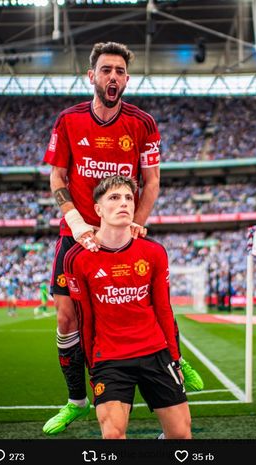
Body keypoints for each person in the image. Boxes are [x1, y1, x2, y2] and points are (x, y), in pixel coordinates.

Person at [42, 41, 202, 435]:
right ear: (91, 76)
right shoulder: (68, 120)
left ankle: (175, 360)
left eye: (119, 71)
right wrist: (76, 221)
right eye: (106, 70)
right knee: (67, 318)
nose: (112, 76)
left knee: (148, 300)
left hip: (122, 226)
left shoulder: (143, 124)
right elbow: (57, 176)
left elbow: (152, 181)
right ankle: (76, 401)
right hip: (77, 232)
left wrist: (137, 224)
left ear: (127, 79)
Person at [65, 176, 191, 439]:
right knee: (112, 436)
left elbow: (164, 310)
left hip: (155, 352)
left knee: (180, 436)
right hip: (109, 359)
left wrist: (174, 357)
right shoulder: (78, 259)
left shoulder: (154, 252)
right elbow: (84, 317)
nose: (123, 203)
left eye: (128, 198)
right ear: (98, 209)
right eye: (114, 197)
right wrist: (92, 366)